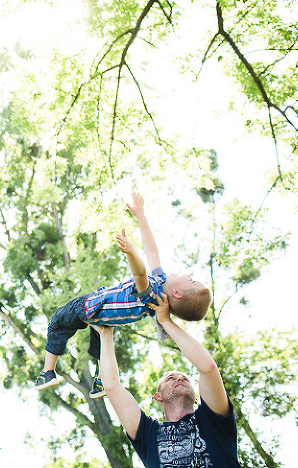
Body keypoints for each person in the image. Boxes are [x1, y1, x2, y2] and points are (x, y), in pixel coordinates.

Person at [35, 192, 211, 396]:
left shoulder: (154, 297)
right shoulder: (161, 284)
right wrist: (141, 216)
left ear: (177, 293)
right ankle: (100, 381)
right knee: (100, 337)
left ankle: (48, 372)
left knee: (57, 321)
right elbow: (152, 251)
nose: (188, 274)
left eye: (191, 280)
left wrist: (131, 253)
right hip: (106, 318)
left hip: (90, 305)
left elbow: (140, 274)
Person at [90, 293, 242, 467]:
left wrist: (165, 321)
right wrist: (106, 333)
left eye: (185, 378)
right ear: (158, 396)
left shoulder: (214, 420)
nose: (179, 378)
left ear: (196, 398)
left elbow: (208, 368)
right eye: (171, 378)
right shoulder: (148, 434)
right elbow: (111, 387)